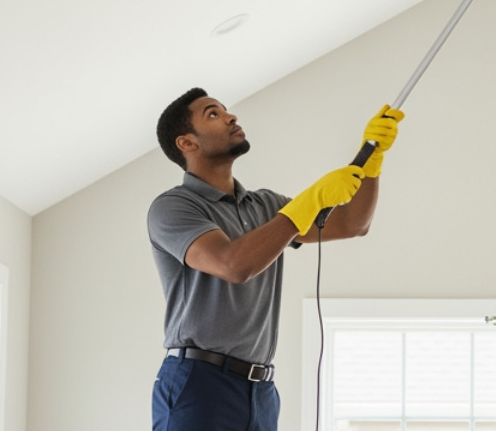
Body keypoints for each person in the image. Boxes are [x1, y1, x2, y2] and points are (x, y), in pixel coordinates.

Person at [148, 88, 402, 431]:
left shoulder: (266, 206)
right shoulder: (173, 207)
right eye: (212, 114)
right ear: (187, 143)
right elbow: (233, 265)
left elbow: (353, 224)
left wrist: (372, 163)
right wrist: (308, 201)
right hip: (199, 383)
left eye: (226, 110)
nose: (231, 117)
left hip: (261, 389)